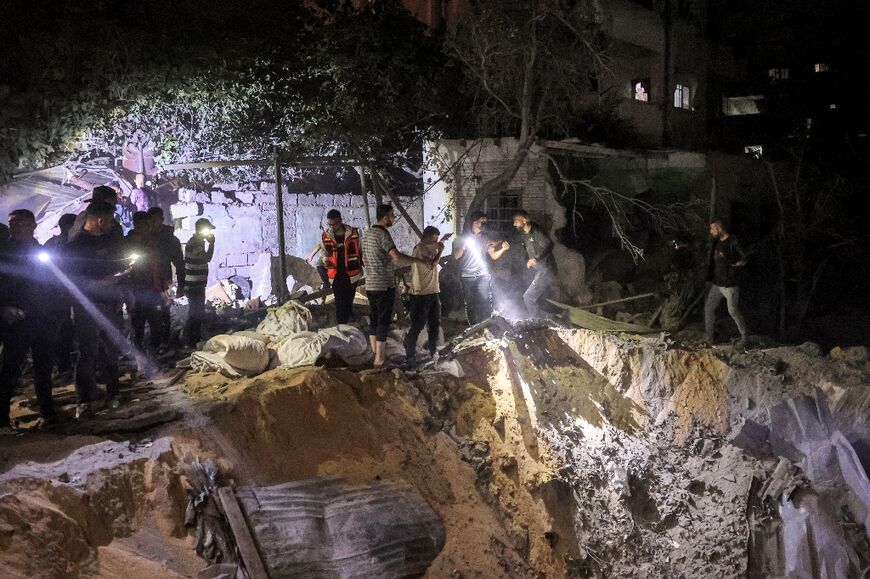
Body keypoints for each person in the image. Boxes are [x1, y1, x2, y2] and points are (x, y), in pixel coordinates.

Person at [65, 201, 128, 413]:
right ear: (99, 220)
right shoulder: (75, 247)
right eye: (110, 219)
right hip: (87, 307)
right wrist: (100, 283)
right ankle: (84, 398)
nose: (113, 224)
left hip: (110, 304)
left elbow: (118, 268)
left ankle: (114, 392)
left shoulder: (111, 243)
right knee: (88, 353)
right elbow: (71, 281)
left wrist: (122, 280)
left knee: (111, 351)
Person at [0, 210, 59, 431]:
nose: (16, 228)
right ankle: (2, 419)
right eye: (13, 224)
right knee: (10, 369)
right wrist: (5, 308)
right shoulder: (5, 254)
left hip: (41, 318)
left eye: (21, 224)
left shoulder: (42, 253)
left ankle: (48, 413)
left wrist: (56, 314)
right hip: (16, 320)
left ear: (33, 226)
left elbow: (53, 286)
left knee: (43, 368)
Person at [362, 204, 434, 368]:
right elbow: (396, 256)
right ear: (385, 217)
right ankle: (380, 360)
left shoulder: (367, 234)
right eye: (392, 215)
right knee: (383, 321)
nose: (394, 218)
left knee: (374, 318)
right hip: (383, 284)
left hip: (370, 283)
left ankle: (374, 354)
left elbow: (363, 257)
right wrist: (419, 261)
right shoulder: (383, 234)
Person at [452, 210, 509, 325]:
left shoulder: (485, 238)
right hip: (467, 276)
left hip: (482, 275)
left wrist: (502, 249)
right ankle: (473, 328)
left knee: (485, 301)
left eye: (485, 221)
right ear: (474, 222)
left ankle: (487, 326)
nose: (484, 224)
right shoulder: (461, 238)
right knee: (470, 303)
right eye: (482, 221)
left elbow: (493, 256)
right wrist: (463, 245)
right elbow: (455, 256)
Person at [403, 226, 450, 366]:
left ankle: (432, 351)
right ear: (428, 236)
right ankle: (410, 353)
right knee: (418, 325)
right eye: (434, 238)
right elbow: (432, 263)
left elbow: (434, 248)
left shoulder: (431, 246)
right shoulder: (419, 249)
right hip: (420, 294)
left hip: (433, 292)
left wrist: (441, 241)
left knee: (434, 324)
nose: (436, 241)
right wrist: (441, 250)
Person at [704, 219, 749, 347]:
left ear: (718, 228)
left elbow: (744, 258)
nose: (711, 231)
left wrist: (732, 264)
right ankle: (709, 339)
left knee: (733, 310)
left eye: (712, 228)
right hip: (717, 284)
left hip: (730, 285)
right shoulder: (717, 242)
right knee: (708, 308)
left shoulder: (733, 241)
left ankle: (744, 338)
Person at [125, 211, 165, 355]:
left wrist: (161, 287)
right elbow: (125, 271)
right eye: (146, 224)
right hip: (137, 290)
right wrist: (129, 295)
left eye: (150, 224)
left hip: (152, 289)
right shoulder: (128, 243)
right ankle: (139, 354)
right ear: (137, 225)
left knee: (156, 323)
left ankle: (154, 352)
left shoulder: (151, 242)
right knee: (138, 324)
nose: (150, 227)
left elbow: (156, 266)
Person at [44, 213, 78, 374]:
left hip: (78, 290)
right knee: (64, 327)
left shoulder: (81, 241)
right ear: (66, 227)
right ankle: (64, 363)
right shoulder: (53, 244)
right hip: (58, 292)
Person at [147, 206, 184, 347]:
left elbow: (179, 263)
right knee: (148, 314)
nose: (153, 224)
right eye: (151, 221)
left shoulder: (169, 239)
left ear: (162, 220)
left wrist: (181, 285)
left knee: (164, 313)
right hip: (146, 282)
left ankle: (165, 342)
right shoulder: (143, 238)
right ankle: (153, 344)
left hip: (164, 281)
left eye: (157, 220)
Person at [319, 210, 362, 324]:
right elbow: (324, 252)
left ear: (340, 221)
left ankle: (349, 320)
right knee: (339, 300)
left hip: (352, 273)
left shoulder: (354, 233)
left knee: (349, 298)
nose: (332, 227)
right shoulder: (326, 235)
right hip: (335, 273)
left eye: (334, 224)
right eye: (329, 224)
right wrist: (325, 261)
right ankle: (342, 325)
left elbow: (361, 250)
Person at [513, 210, 556, 319]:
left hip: (547, 270)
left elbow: (549, 245)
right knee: (539, 298)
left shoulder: (536, 232)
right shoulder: (526, 235)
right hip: (541, 271)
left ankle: (536, 322)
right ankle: (554, 318)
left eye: (516, 221)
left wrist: (536, 259)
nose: (514, 224)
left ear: (524, 220)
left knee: (528, 297)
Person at [183, 218, 216, 348]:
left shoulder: (198, 242)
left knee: (197, 312)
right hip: (194, 285)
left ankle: (193, 341)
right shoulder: (195, 243)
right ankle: (190, 342)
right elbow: (207, 258)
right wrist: (212, 244)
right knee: (195, 314)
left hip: (197, 284)